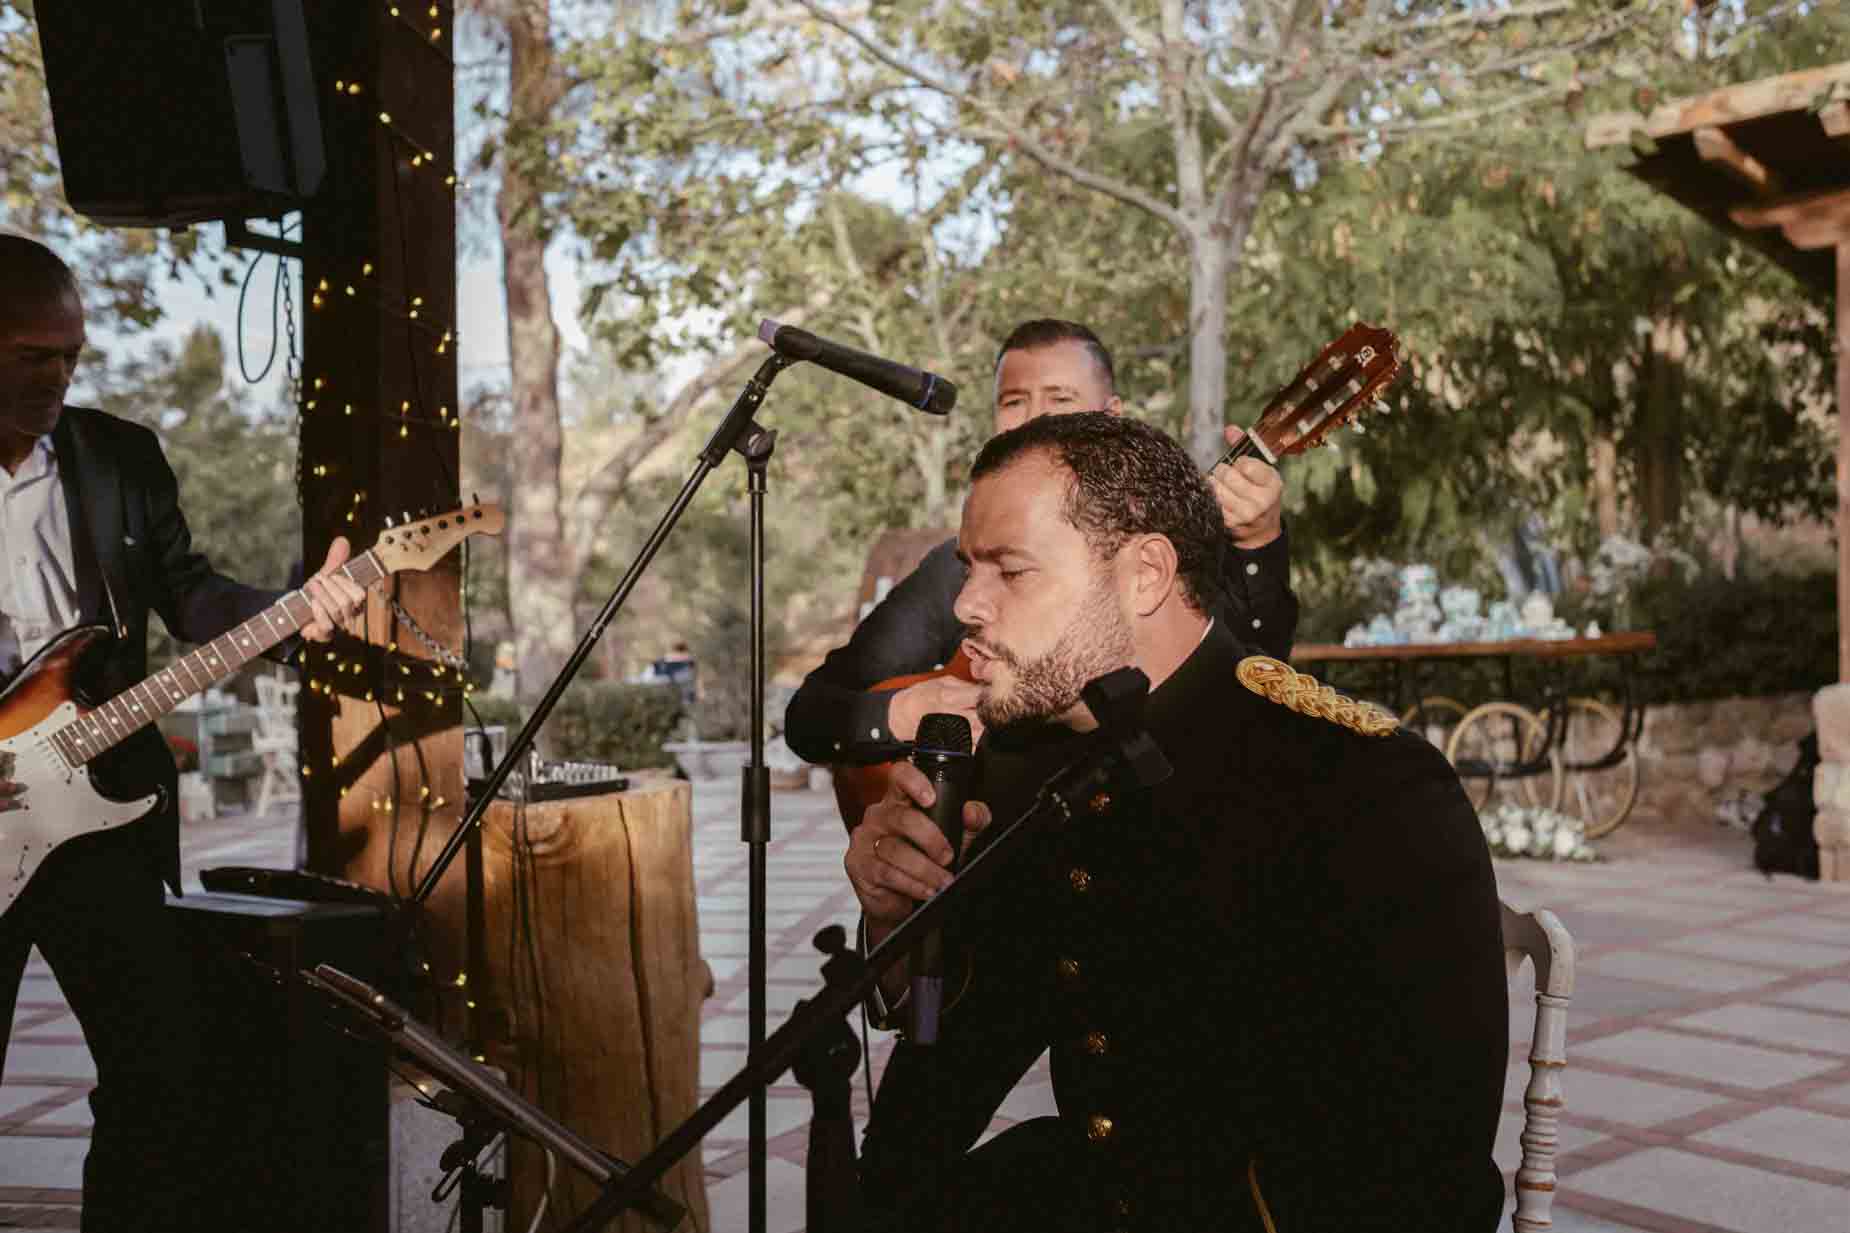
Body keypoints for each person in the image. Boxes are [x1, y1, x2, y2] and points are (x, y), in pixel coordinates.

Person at [844, 412, 1509, 1231]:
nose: (967, 605)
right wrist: (901, 928)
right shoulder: (1026, 764)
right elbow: (960, 1063)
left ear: (1146, 574)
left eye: (1010, 570)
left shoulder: (1363, 783)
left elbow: (1422, 1175)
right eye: (968, 569)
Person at [0, 234, 368, 1229]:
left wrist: (294, 613)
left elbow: (189, 593)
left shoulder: (119, 456)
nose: (58, 378)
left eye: (71, 356)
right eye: (32, 356)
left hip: (101, 809)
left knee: (159, 1074)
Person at [782, 319, 1298, 767]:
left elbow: (1253, 686)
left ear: (1112, 414)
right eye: (1014, 401)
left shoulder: (1166, 556)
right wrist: (905, 712)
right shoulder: (955, 572)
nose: (1036, 418)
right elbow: (811, 715)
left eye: (1060, 398)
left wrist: (1258, 544)